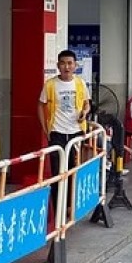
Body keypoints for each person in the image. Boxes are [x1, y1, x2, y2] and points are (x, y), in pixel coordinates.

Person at [39, 50, 91, 212]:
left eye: (70, 63)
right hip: (57, 132)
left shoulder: (80, 83)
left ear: (75, 66)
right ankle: (58, 208)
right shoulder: (50, 84)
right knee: (57, 172)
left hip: (76, 132)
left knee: (74, 170)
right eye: (63, 63)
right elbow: (40, 105)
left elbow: (86, 103)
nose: (66, 66)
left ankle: (71, 205)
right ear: (58, 66)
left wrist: (85, 112)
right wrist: (45, 128)